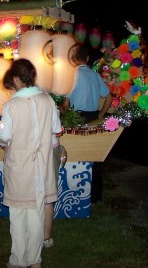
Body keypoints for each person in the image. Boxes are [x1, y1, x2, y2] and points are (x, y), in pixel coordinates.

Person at [0, 59, 62, 268]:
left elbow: (4, 137)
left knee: (17, 215)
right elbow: (55, 129)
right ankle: (35, 260)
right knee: (37, 213)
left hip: (19, 166)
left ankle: (18, 259)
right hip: (41, 166)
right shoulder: (48, 100)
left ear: (16, 79)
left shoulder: (11, 105)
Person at [63, 44, 113, 203]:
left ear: (72, 60)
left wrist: (61, 111)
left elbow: (65, 104)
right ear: (87, 58)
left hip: (76, 118)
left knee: (74, 155)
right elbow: (109, 98)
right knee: (95, 157)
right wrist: (100, 114)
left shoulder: (71, 76)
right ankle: (95, 196)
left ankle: (75, 194)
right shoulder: (95, 75)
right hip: (93, 118)